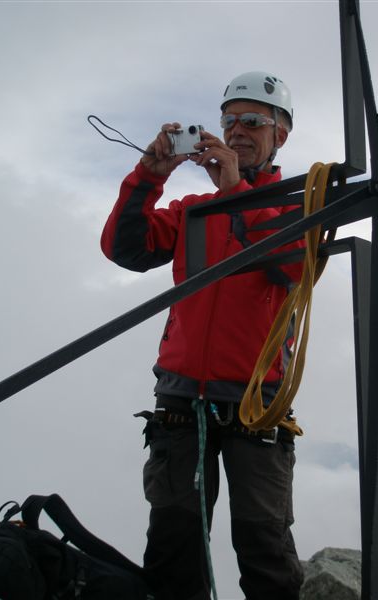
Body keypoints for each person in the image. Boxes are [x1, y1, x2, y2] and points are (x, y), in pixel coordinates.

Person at [101, 71, 305, 600]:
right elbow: (126, 248)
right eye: (229, 121)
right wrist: (149, 176)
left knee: (265, 550)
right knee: (174, 546)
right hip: (180, 398)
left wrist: (236, 191)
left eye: (253, 121)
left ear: (280, 135)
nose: (237, 131)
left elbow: (292, 265)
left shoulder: (297, 205)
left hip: (256, 404)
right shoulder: (194, 210)